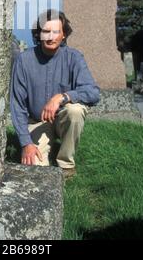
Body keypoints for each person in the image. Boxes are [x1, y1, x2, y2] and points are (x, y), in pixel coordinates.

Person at [10, 9, 100, 179]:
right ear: (39, 34)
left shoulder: (74, 57)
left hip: (63, 119)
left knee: (75, 111)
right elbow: (17, 105)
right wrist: (26, 143)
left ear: (64, 35)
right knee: (34, 172)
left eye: (56, 31)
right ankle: (45, 147)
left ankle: (66, 164)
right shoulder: (24, 60)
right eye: (46, 31)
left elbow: (93, 92)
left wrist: (62, 97)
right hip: (37, 122)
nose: (50, 37)